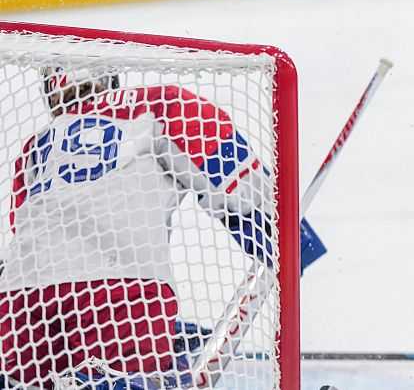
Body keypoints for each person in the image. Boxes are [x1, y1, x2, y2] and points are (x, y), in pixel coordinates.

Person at [0, 67, 274, 388]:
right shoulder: (157, 106)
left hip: (20, 300)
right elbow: (230, 170)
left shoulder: (35, 147)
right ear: (110, 78)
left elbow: (23, 230)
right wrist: (282, 232)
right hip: (122, 294)